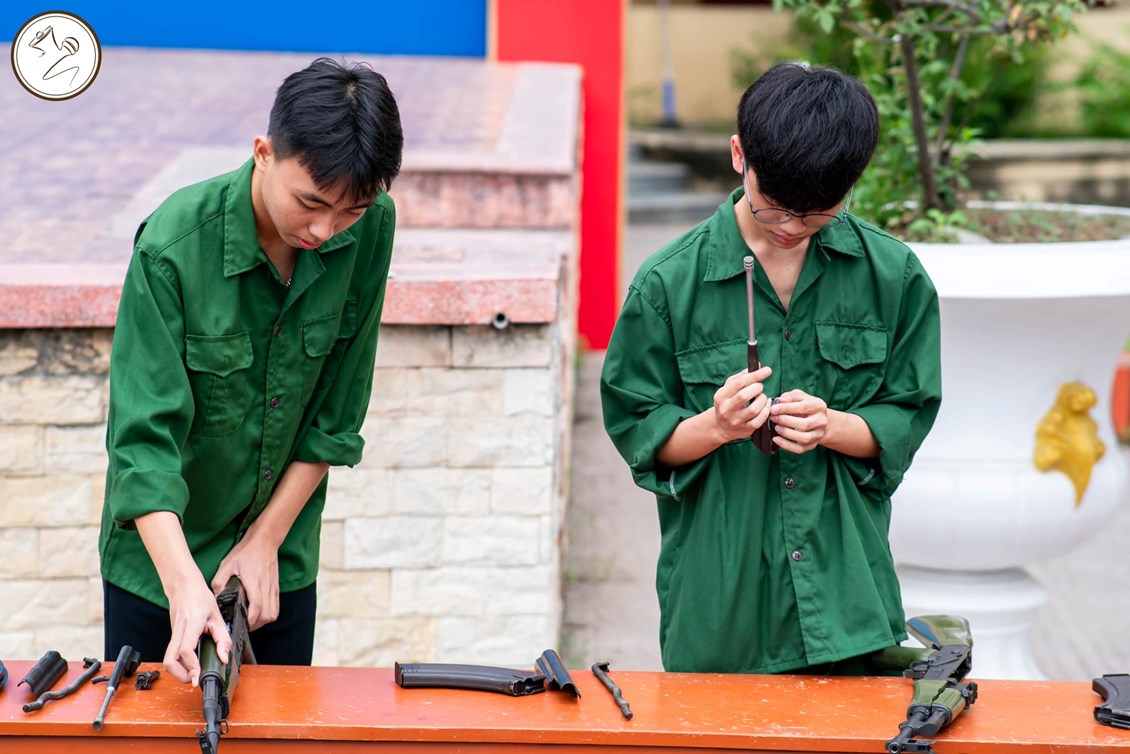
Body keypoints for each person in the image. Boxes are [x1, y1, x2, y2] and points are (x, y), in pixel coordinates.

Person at [600, 62, 942, 674]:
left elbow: (907, 413)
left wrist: (831, 426)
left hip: (848, 600)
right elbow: (638, 431)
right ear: (739, 155)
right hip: (719, 605)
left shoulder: (894, 277)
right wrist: (716, 426)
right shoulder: (666, 284)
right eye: (775, 209)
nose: (792, 228)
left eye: (817, 215)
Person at [99, 57, 403, 684]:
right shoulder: (171, 248)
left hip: (278, 564)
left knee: (278, 728)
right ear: (263, 153)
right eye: (310, 203)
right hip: (162, 567)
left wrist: (265, 541)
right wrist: (185, 585)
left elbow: (337, 414)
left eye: (349, 211)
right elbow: (142, 446)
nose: (325, 229)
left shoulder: (372, 226)